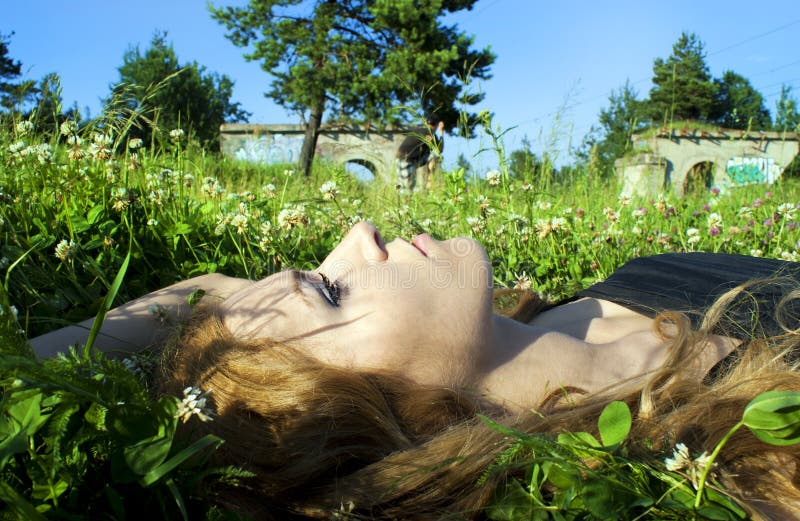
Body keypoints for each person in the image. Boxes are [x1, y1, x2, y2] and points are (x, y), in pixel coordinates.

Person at [28, 222, 800, 520]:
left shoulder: (561, 310)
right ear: (354, 411)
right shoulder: (742, 465)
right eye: (329, 287)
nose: (356, 234)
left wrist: (20, 368)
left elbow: (214, 293)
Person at [396, 116, 445, 191]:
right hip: (407, 160)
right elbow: (439, 150)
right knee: (407, 189)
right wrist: (441, 132)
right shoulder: (428, 132)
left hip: (403, 158)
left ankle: (429, 182)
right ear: (437, 125)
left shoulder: (420, 129)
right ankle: (430, 183)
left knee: (404, 186)